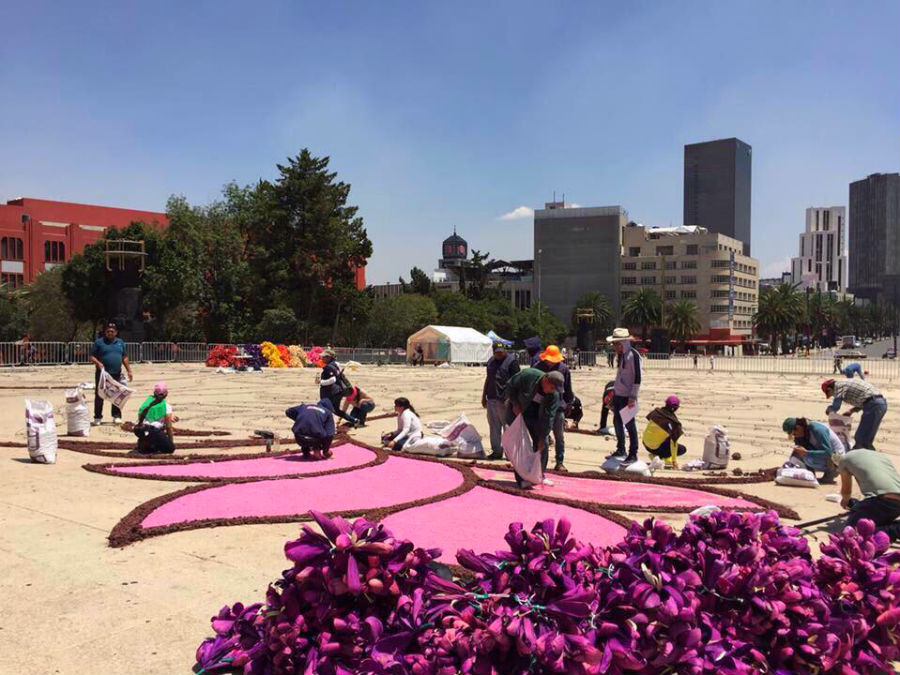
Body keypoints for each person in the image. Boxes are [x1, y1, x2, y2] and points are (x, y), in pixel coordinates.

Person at [504, 367, 562, 488]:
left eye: (555, 389)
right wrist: (514, 403)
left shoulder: (554, 395)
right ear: (546, 380)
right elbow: (510, 385)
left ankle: (539, 475)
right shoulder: (528, 375)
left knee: (543, 445)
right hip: (518, 413)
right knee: (521, 445)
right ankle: (522, 479)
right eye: (551, 387)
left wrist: (542, 436)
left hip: (536, 418)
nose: (553, 391)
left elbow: (549, 417)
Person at [840, 449, 900, 541]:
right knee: (874, 517)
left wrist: (845, 501)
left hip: (883, 500)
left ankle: (897, 529)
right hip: (894, 502)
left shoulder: (844, 459)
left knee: (853, 531)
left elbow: (846, 491)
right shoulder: (881, 457)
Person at [536, 345, 575, 472]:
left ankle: (559, 462)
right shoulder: (538, 367)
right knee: (542, 435)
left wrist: (568, 404)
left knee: (559, 436)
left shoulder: (563, 369)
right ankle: (540, 463)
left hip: (558, 407)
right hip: (542, 406)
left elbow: (568, 389)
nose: (550, 362)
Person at [607, 328, 642, 465]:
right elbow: (620, 376)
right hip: (619, 395)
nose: (614, 346)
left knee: (630, 425)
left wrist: (632, 396)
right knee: (617, 422)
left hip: (628, 396)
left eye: (616, 343)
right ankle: (621, 449)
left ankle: (633, 453)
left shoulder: (633, 355)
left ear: (623, 342)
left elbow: (637, 377)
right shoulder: (621, 355)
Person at [822, 378, 888, 450]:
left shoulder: (838, 385)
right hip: (878, 404)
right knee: (867, 437)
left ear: (829, 389)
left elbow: (836, 406)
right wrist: (851, 411)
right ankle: (867, 455)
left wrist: (830, 409)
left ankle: (861, 455)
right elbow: (865, 399)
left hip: (874, 405)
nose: (833, 396)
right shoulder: (845, 382)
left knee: (861, 438)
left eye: (830, 394)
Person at [482, 342, 520, 460]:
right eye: (497, 352)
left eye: (501, 351)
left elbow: (517, 382)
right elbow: (488, 378)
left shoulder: (512, 362)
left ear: (505, 350)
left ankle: (509, 453)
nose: (499, 354)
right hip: (491, 398)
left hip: (505, 400)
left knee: (507, 427)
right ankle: (496, 451)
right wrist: (484, 396)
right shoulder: (491, 362)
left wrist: (514, 400)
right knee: (493, 426)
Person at [90, 321, 133, 425]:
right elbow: (92, 356)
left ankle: (116, 416)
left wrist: (129, 370)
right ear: (105, 332)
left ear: (116, 332)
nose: (110, 333)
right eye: (108, 331)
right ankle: (98, 417)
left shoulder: (120, 342)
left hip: (116, 373)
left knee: (116, 394)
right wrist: (98, 363)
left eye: (112, 331)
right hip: (102, 374)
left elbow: (125, 357)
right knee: (100, 395)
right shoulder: (99, 342)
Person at [782, 416, 844, 483]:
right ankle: (811, 476)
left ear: (798, 427)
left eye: (794, 433)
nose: (795, 436)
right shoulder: (803, 432)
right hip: (824, 454)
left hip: (837, 458)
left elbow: (828, 452)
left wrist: (807, 452)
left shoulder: (818, 430)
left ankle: (830, 474)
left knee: (808, 459)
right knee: (796, 458)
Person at [643, 396, 687, 469]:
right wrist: (674, 461)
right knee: (682, 449)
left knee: (667, 436)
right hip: (655, 448)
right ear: (676, 408)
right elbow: (674, 444)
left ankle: (656, 456)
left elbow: (649, 420)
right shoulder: (674, 423)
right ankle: (657, 456)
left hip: (645, 443)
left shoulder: (656, 412)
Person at [134, 382, 175, 454]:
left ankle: (145, 442)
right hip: (152, 431)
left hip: (139, 430)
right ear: (166, 394)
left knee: (149, 433)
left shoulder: (146, 403)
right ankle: (149, 443)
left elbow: (140, 418)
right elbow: (169, 427)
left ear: (154, 393)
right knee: (170, 448)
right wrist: (171, 442)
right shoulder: (166, 406)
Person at [318, 349, 355, 424]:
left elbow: (333, 380)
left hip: (331, 393)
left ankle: (326, 426)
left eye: (324, 357)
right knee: (336, 410)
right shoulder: (336, 365)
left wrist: (320, 382)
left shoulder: (329, 367)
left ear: (329, 358)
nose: (322, 358)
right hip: (338, 391)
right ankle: (354, 420)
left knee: (324, 408)